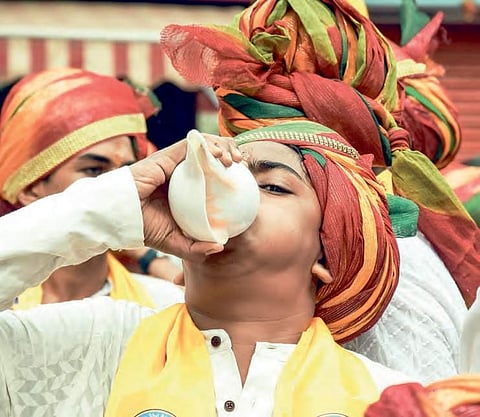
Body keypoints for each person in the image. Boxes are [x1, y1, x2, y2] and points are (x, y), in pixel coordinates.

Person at [0, 122, 413, 416]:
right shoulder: (97, 342)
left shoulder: (388, 399)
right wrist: (117, 206)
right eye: (219, 174)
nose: (231, 187)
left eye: (271, 186)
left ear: (327, 255)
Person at [160, 0, 477, 382]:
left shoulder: (387, 268)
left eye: (273, 187)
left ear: (330, 250)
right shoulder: (139, 333)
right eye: (226, 170)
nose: (236, 194)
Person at [0, 67, 184, 309]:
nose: (119, 186)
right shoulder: (9, 306)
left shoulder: (164, 305)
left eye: (128, 171)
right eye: (94, 170)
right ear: (30, 189)